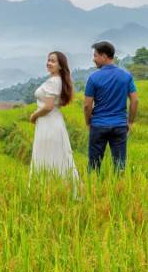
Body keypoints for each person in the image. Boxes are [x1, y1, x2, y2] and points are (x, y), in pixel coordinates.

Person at [83, 41, 139, 172]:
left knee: (94, 166)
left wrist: (88, 122)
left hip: (98, 125)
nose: (93, 59)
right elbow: (135, 101)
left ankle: (93, 190)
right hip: (119, 126)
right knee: (120, 166)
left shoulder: (93, 78)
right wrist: (130, 122)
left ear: (104, 56)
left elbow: (87, 105)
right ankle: (119, 191)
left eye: (95, 56)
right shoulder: (126, 76)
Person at [29, 51, 79, 182]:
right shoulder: (57, 81)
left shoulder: (54, 82)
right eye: (48, 60)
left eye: (53, 61)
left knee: (48, 156)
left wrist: (34, 115)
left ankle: (48, 188)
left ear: (60, 66)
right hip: (52, 122)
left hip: (49, 123)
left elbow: (48, 106)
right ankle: (57, 188)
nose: (49, 63)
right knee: (55, 156)